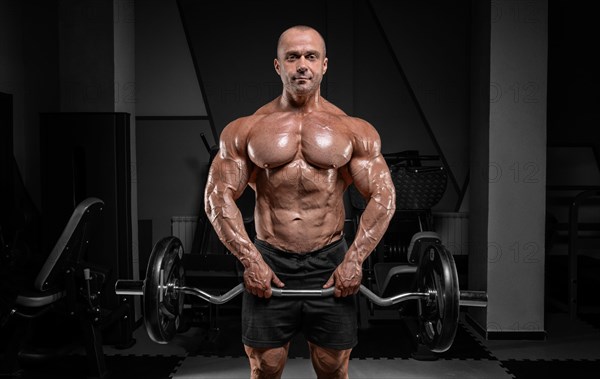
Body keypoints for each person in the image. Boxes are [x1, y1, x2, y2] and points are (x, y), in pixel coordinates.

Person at [204, 25, 396, 379]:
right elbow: (217, 197)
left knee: (332, 367)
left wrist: (354, 260)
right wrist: (251, 261)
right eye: (292, 57)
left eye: (311, 56)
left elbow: (383, 196)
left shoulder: (353, 130)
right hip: (269, 259)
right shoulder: (246, 129)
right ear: (278, 66)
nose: (302, 65)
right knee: (266, 367)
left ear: (325, 65)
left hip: (330, 261)